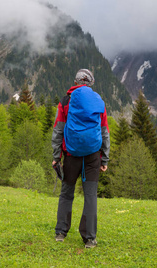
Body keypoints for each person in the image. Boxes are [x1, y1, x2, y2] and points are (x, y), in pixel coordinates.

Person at [51, 68, 110, 249]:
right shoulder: (98, 101)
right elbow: (104, 131)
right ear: (90, 83)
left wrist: (56, 156)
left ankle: (61, 232)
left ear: (75, 82)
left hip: (71, 154)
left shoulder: (66, 101)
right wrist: (104, 158)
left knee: (67, 193)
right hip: (93, 155)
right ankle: (89, 238)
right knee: (90, 195)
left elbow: (58, 129)